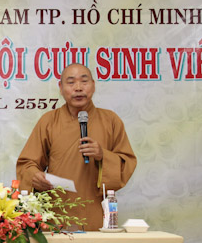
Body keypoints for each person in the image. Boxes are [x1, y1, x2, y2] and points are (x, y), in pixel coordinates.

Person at [16, 63, 137, 230]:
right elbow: (26, 164)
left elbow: (126, 163)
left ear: (93, 85)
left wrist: (103, 155)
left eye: (84, 81)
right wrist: (35, 177)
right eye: (71, 82)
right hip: (57, 212)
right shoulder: (49, 121)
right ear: (61, 87)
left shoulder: (110, 120)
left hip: (95, 212)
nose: (78, 88)